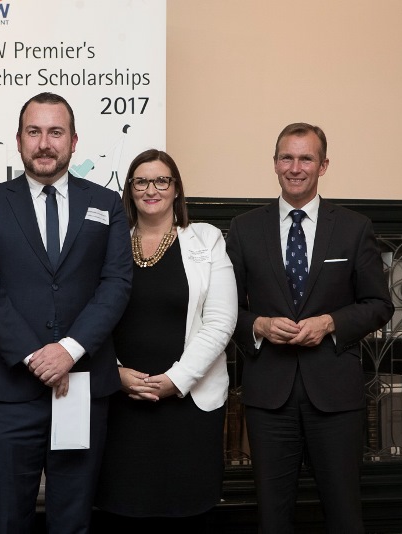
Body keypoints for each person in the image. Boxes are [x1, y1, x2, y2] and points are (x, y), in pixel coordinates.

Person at [0, 92, 132, 534]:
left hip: (83, 389)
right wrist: (39, 356)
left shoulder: (108, 204)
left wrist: (69, 351)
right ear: (18, 141)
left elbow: (116, 285)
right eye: (34, 132)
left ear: (74, 141)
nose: (44, 143)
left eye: (55, 132)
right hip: (12, 387)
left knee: (73, 520)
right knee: (5, 520)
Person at [225, 123, 393, 533]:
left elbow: (379, 304)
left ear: (323, 165)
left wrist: (332, 322)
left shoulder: (354, 228)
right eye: (287, 157)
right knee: (272, 515)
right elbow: (223, 311)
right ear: (275, 163)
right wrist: (260, 325)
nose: (295, 167)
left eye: (306, 158)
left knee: (344, 514)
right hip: (269, 397)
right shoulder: (245, 229)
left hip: (334, 396)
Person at [94, 149, 237, 532]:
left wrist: (177, 379)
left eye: (162, 180)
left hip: (189, 403)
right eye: (141, 181)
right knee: (122, 511)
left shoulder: (206, 240)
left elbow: (222, 321)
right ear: (130, 190)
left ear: (176, 189)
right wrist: (117, 373)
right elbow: (91, 320)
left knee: (187, 512)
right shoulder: (110, 243)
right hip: (122, 404)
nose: (151, 189)